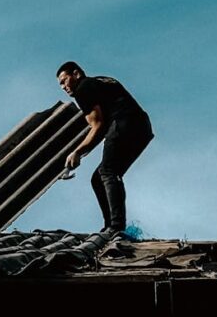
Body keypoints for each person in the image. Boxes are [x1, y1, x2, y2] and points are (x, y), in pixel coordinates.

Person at [56, 62, 153, 234]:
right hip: (142, 127)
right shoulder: (103, 80)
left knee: (107, 172)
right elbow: (101, 131)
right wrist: (82, 151)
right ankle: (111, 225)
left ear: (76, 74)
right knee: (99, 177)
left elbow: (98, 126)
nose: (63, 87)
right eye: (61, 84)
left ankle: (115, 227)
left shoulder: (82, 89)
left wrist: (77, 151)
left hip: (123, 123)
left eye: (64, 81)